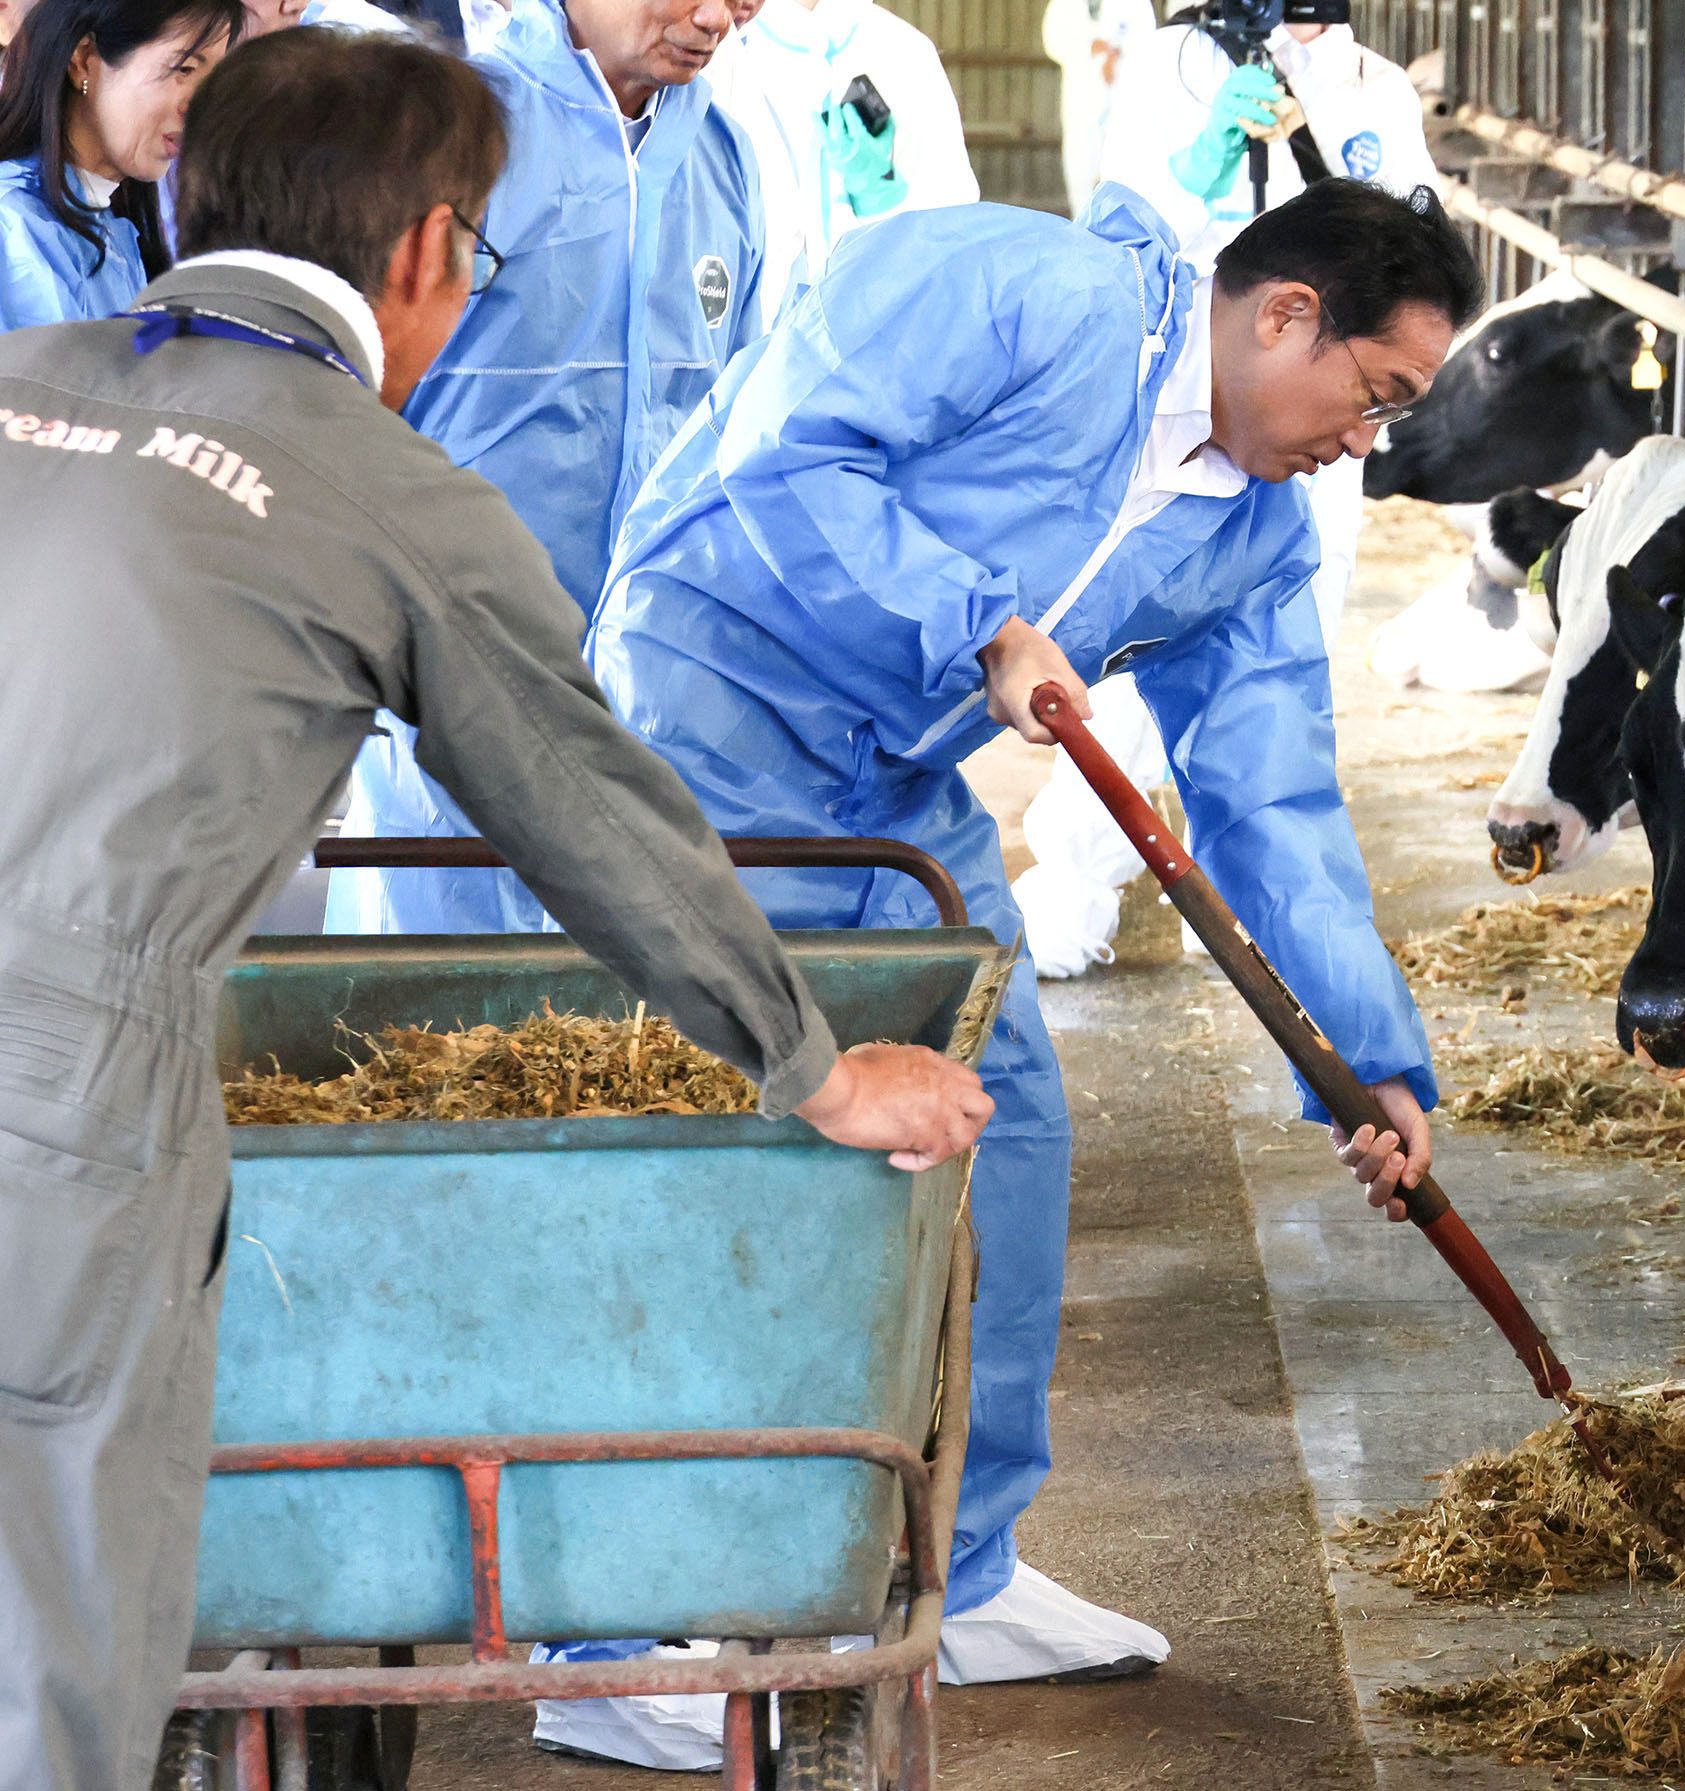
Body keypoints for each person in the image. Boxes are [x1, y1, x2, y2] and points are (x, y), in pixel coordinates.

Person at [0, 26, 992, 1788]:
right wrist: (822, 1068)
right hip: (57, 1081)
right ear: (423, 257)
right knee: (57, 1633)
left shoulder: (35, 370)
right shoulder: (393, 493)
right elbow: (594, 815)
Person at [579, 175, 1480, 1683]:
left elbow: (1271, 797)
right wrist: (977, 623)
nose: (1365, 441)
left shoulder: (1255, 536)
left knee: (1020, 1120)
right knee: (728, 1126)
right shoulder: (1029, 291)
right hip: (713, 707)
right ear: (1286, 316)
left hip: (903, 778)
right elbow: (788, 452)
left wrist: (1364, 1056)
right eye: (1374, 396)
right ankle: (621, 1609)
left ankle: (959, 1564)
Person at [324, 0, 766, 932]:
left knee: (609, 1011)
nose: (717, 16)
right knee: (437, 995)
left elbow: (741, 426)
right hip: (452, 659)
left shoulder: (724, 160)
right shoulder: (455, 131)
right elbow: (348, 393)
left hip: (649, 685)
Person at [1014, 0, 1436, 975]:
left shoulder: (1377, 87)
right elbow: (1119, 228)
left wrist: (1326, 141)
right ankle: (1071, 888)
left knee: (1281, 658)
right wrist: (1201, 160)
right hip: (1189, 409)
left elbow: (1421, 259)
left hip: (1320, 421)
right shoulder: (1171, 64)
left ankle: (1253, 896)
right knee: (1137, 651)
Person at [704, 0, 978, 323]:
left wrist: (882, 200)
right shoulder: (719, 44)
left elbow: (952, 229)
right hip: (740, 335)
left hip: (874, 338)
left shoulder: (906, 53)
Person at [0, 0, 238, 329]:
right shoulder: (13, 230)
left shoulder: (110, 225)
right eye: (184, 69)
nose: (204, 106)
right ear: (84, 60)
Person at [1041, 0, 1153, 219]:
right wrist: (1090, 47)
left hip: (1123, 91)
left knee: (1125, 162)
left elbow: (1147, 40)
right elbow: (1053, 39)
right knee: (1080, 165)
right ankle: (1081, 226)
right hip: (1082, 94)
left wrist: (1116, 55)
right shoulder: (1063, 4)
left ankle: (1122, 233)